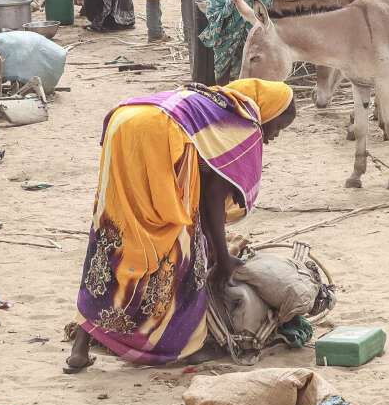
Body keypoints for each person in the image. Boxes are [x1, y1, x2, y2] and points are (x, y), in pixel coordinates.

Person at [65, 79, 297, 372]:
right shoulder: (244, 125)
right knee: (181, 247)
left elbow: (204, 187)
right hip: (161, 131)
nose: (274, 135)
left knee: (112, 236)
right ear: (269, 110)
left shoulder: (217, 103)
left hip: (124, 120)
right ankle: (180, 347)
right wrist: (223, 259)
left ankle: (79, 350)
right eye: (278, 125)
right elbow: (212, 199)